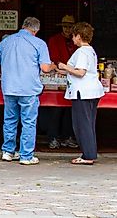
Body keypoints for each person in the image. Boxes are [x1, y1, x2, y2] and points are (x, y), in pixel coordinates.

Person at [0, 17, 55, 165]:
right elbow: (45, 68)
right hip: (29, 89)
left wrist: (7, 72)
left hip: (9, 87)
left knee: (9, 120)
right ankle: (26, 156)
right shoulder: (39, 43)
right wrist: (53, 66)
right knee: (28, 122)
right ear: (36, 30)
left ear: (22, 26)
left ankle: (8, 152)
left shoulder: (6, 41)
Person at [58, 22, 105, 165]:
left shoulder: (82, 52)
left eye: (73, 36)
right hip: (92, 91)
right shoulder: (90, 50)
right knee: (88, 123)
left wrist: (64, 66)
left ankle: (88, 156)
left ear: (78, 36)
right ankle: (90, 153)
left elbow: (80, 72)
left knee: (81, 125)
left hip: (82, 92)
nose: (72, 38)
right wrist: (59, 68)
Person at [44, 15, 78, 149]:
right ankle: (53, 137)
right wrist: (61, 67)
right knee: (55, 108)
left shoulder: (77, 41)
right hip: (57, 76)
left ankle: (67, 137)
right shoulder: (54, 40)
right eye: (65, 26)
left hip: (73, 77)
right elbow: (53, 57)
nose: (67, 29)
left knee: (70, 109)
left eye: (70, 27)